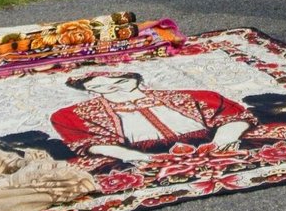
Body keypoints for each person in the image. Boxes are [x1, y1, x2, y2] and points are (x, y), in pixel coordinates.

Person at [50, 70, 253, 165]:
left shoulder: (192, 96)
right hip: (132, 156)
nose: (111, 87)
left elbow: (232, 116)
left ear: (136, 79)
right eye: (98, 85)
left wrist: (224, 140)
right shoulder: (73, 114)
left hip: (213, 143)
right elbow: (88, 142)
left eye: (120, 81)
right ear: (86, 88)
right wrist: (137, 157)